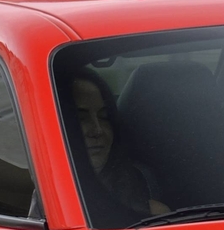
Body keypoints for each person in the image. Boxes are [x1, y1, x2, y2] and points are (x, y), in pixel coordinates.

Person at [67, 73, 164, 220]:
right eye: (81, 119)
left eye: (104, 117)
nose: (97, 130)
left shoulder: (148, 200)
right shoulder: (41, 197)